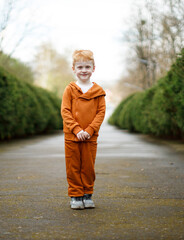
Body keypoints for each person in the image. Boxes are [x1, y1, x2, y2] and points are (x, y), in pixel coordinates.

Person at [61, 50, 106, 210]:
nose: (84, 70)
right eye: (80, 67)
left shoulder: (98, 92)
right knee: (73, 167)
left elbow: (101, 113)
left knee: (88, 167)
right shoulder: (70, 89)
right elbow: (65, 111)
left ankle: (88, 194)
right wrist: (77, 129)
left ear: (93, 68)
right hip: (72, 137)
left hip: (90, 137)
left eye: (87, 66)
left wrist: (90, 130)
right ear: (74, 69)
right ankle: (75, 195)